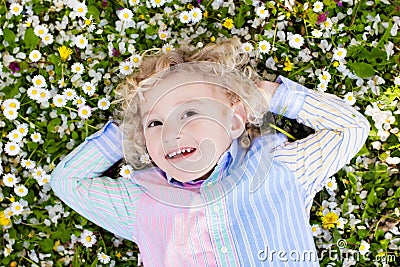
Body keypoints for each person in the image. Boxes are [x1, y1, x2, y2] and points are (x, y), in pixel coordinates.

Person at [50, 38, 370, 266]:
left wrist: (266, 95)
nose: (172, 133)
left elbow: (351, 129)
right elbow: (68, 181)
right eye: (156, 123)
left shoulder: (278, 168)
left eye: (189, 114)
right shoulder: (142, 202)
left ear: (233, 121)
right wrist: (129, 129)